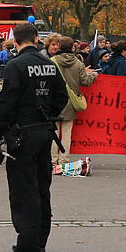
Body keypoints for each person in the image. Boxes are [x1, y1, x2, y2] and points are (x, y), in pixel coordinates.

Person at [0, 21, 68, 252]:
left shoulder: (15, 66)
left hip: (22, 135)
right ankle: (40, 241)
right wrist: (47, 115)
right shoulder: (49, 64)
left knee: (24, 191)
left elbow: (5, 105)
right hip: (44, 132)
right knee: (42, 187)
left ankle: (27, 246)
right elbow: (62, 96)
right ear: (36, 39)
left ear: (16, 41)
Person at [51, 37, 98, 165]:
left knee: (54, 132)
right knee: (67, 133)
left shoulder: (52, 61)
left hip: (54, 101)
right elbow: (85, 81)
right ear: (72, 48)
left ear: (59, 47)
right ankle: (64, 160)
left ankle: (53, 160)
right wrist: (93, 75)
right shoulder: (78, 63)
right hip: (70, 101)